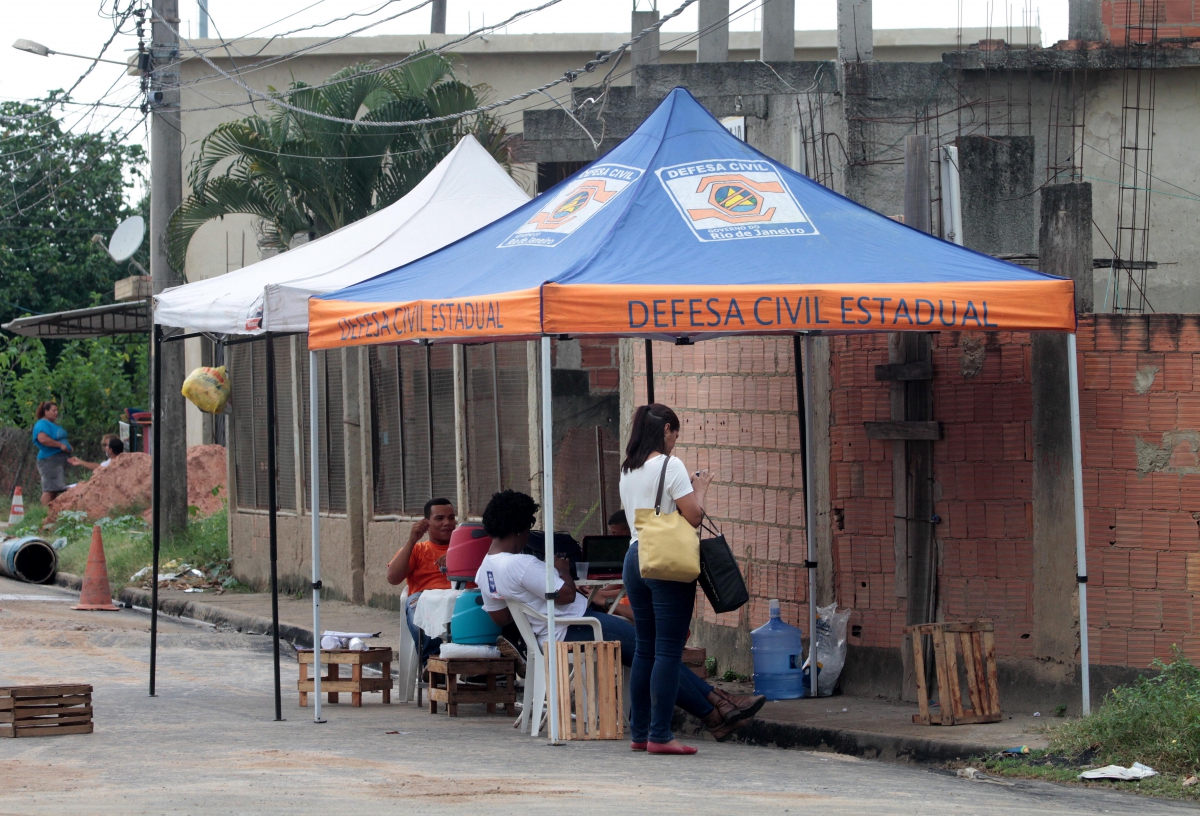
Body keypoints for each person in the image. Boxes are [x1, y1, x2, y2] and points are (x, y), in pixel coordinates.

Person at [475, 489, 763, 748]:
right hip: (576, 627)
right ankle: (716, 708)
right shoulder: (522, 564)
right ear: (521, 528)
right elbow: (563, 595)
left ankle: (718, 709)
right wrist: (562, 570)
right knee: (653, 653)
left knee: (650, 652)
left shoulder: (485, 570)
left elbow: (500, 617)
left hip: (552, 632)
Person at [620, 403, 765, 754]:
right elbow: (694, 517)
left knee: (644, 650)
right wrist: (699, 487)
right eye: (675, 434)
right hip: (666, 562)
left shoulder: (628, 468)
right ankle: (660, 735)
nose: (675, 441)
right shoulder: (671, 466)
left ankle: (640, 734)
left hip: (635, 558)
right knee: (668, 652)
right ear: (666, 429)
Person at [386, 498, 458, 662]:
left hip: (460, 601)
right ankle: (433, 666)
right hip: (425, 601)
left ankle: (485, 672)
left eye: (451, 518)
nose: (447, 523)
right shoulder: (418, 549)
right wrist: (412, 540)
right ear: (427, 523)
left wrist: (457, 554)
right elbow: (392, 578)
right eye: (440, 518)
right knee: (419, 609)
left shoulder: (466, 548)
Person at [32, 401, 72, 505]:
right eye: (53, 410)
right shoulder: (42, 424)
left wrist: (68, 446)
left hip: (58, 461)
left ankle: (50, 514)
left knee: (55, 489)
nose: (56, 413)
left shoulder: (53, 424)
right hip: (49, 460)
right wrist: (59, 445)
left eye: (57, 410)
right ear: (46, 411)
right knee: (49, 489)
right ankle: (44, 513)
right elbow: (43, 439)